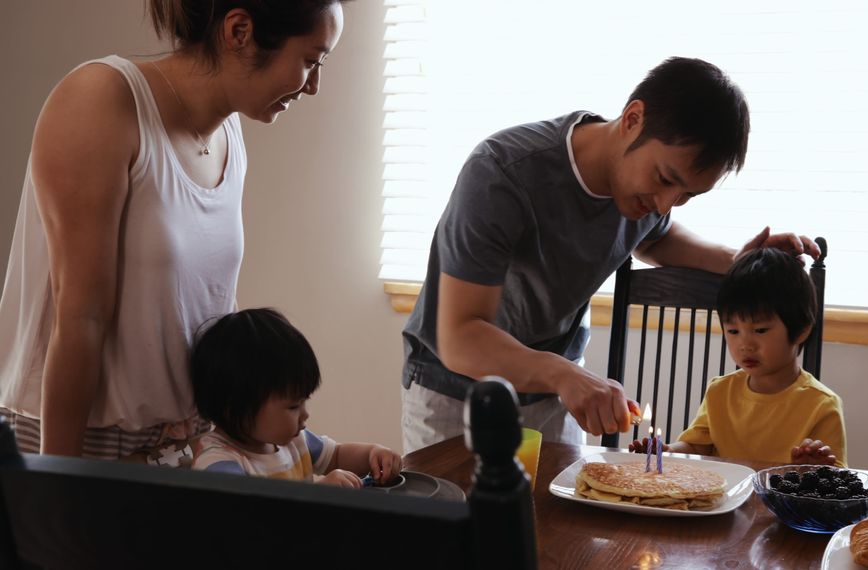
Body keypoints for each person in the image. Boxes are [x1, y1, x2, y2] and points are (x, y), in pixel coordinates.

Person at [400, 56, 822, 454]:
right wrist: (565, 374)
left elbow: (655, 237)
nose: (663, 204)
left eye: (687, 196)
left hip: (549, 393)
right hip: (454, 391)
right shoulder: (503, 172)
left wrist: (737, 260)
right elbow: (461, 337)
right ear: (633, 119)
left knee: (551, 532)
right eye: (665, 179)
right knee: (457, 530)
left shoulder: (642, 195)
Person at [0, 0, 347, 462]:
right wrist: (59, 489)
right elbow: (79, 317)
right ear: (239, 30)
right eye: (311, 60)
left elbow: (203, 308)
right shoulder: (102, 98)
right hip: (82, 438)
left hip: (189, 442)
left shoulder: (229, 137)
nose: (315, 85)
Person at [629, 247, 847, 466]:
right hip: (721, 499)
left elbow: (838, 482)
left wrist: (813, 470)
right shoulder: (719, 392)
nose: (745, 345)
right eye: (733, 331)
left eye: (760, 330)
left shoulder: (822, 405)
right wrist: (668, 452)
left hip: (780, 501)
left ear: (801, 330)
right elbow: (697, 446)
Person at [191, 308, 402, 485]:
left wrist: (372, 454)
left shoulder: (294, 441)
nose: (305, 414)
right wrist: (318, 495)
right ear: (235, 406)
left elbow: (336, 455)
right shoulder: (217, 463)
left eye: (304, 401)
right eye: (293, 406)